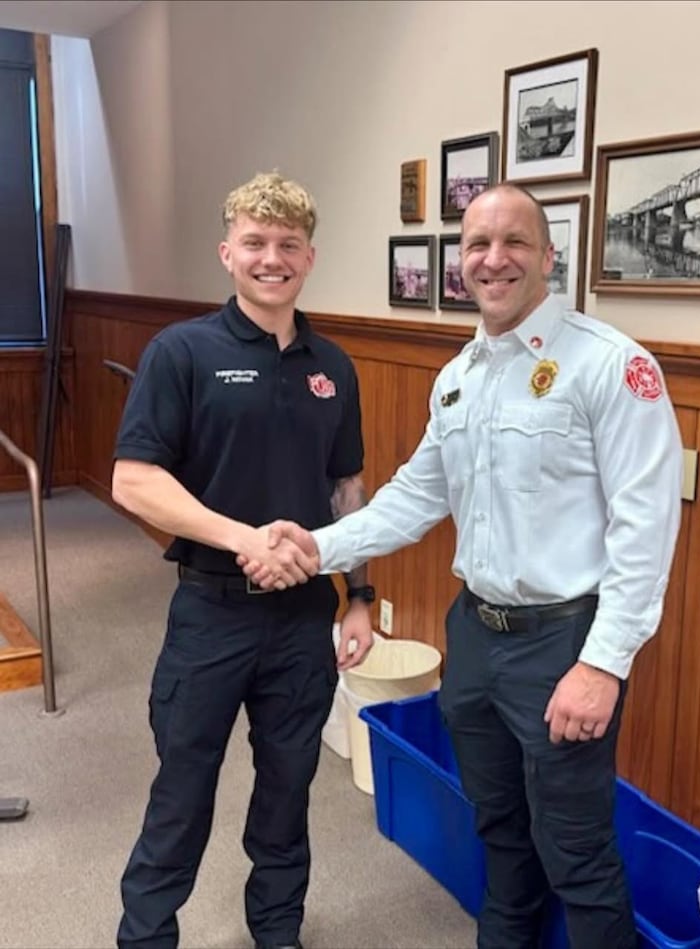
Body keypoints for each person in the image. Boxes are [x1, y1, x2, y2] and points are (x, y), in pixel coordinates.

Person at [242, 184, 684, 949]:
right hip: (475, 637)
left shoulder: (611, 366)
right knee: (501, 834)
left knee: (576, 853)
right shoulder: (461, 377)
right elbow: (414, 495)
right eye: (477, 245)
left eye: (514, 242)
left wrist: (604, 664)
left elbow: (645, 532)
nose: (493, 258)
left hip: (562, 645)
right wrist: (319, 547)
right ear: (460, 265)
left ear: (548, 256)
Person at [111, 171, 374, 949]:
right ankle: (147, 937)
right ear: (227, 252)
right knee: (181, 796)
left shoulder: (335, 366)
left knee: (288, 794)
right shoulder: (182, 352)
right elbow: (135, 479)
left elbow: (347, 485)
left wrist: (359, 594)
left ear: (310, 257)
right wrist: (243, 538)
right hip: (211, 612)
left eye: (288, 244)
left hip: (301, 621)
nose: (272, 258)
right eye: (255, 243)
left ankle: (278, 931)